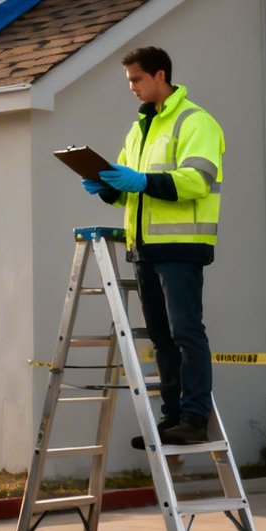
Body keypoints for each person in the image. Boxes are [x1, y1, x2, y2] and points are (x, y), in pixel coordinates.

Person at [80, 46, 224, 448]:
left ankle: (194, 419)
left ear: (161, 75)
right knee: (161, 337)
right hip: (145, 248)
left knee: (185, 333)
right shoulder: (138, 129)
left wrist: (140, 182)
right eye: (129, 81)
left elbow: (197, 181)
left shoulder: (196, 122)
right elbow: (132, 194)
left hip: (181, 245)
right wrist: (106, 189)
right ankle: (173, 418)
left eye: (136, 80)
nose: (132, 88)